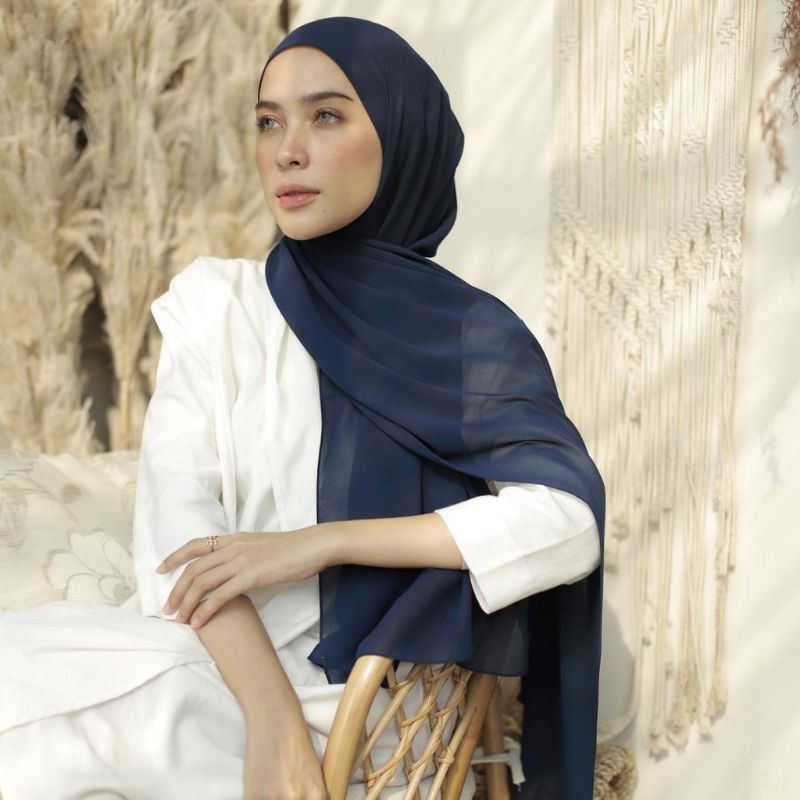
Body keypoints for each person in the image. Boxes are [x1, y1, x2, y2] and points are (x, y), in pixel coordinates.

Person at [0, 16, 604, 800]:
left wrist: (320, 544)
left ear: (400, 136)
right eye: (268, 121)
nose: (287, 150)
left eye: (325, 116)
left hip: (363, 713)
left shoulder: (469, 336)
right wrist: (271, 719)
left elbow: (567, 523)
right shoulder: (218, 309)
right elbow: (179, 536)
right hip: (221, 672)